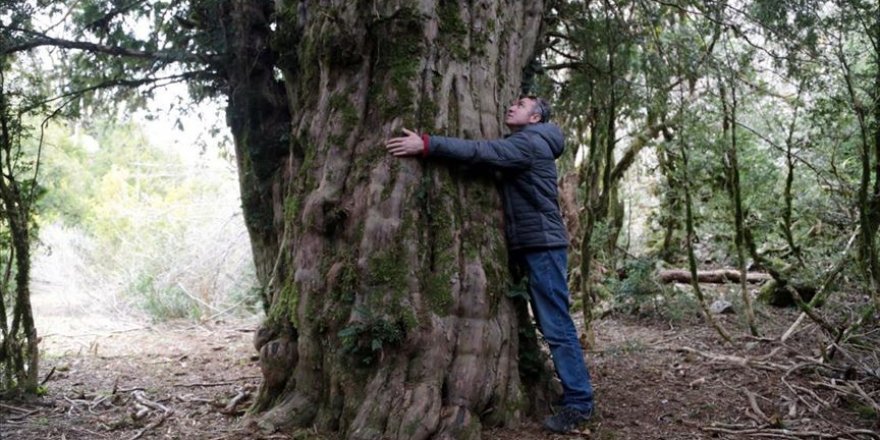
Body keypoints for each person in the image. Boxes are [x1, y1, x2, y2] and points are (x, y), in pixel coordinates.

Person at [385, 96, 595, 433]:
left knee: (557, 325)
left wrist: (426, 144)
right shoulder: (530, 141)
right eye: (511, 102)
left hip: (543, 245)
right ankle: (576, 396)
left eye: (521, 104)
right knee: (551, 323)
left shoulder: (529, 142)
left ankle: (579, 403)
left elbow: (483, 152)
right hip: (532, 244)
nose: (511, 106)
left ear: (535, 116)